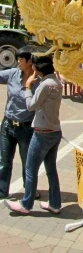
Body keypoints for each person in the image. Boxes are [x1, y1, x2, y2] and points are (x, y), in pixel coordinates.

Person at [5, 54, 62, 214]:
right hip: (55, 131)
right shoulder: (57, 82)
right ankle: (55, 204)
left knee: (30, 168)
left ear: (38, 68)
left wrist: (28, 87)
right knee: (51, 169)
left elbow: (30, 105)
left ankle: (26, 204)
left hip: (42, 133)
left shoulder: (45, 85)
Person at [0, 46, 40, 200]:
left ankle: (29, 191)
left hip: (26, 128)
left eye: (21, 60)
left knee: (27, 163)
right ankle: (2, 191)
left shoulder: (39, 81)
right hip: (8, 125)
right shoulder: (12, 74)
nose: (18, 62)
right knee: (4, 161)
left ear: (30, 62)